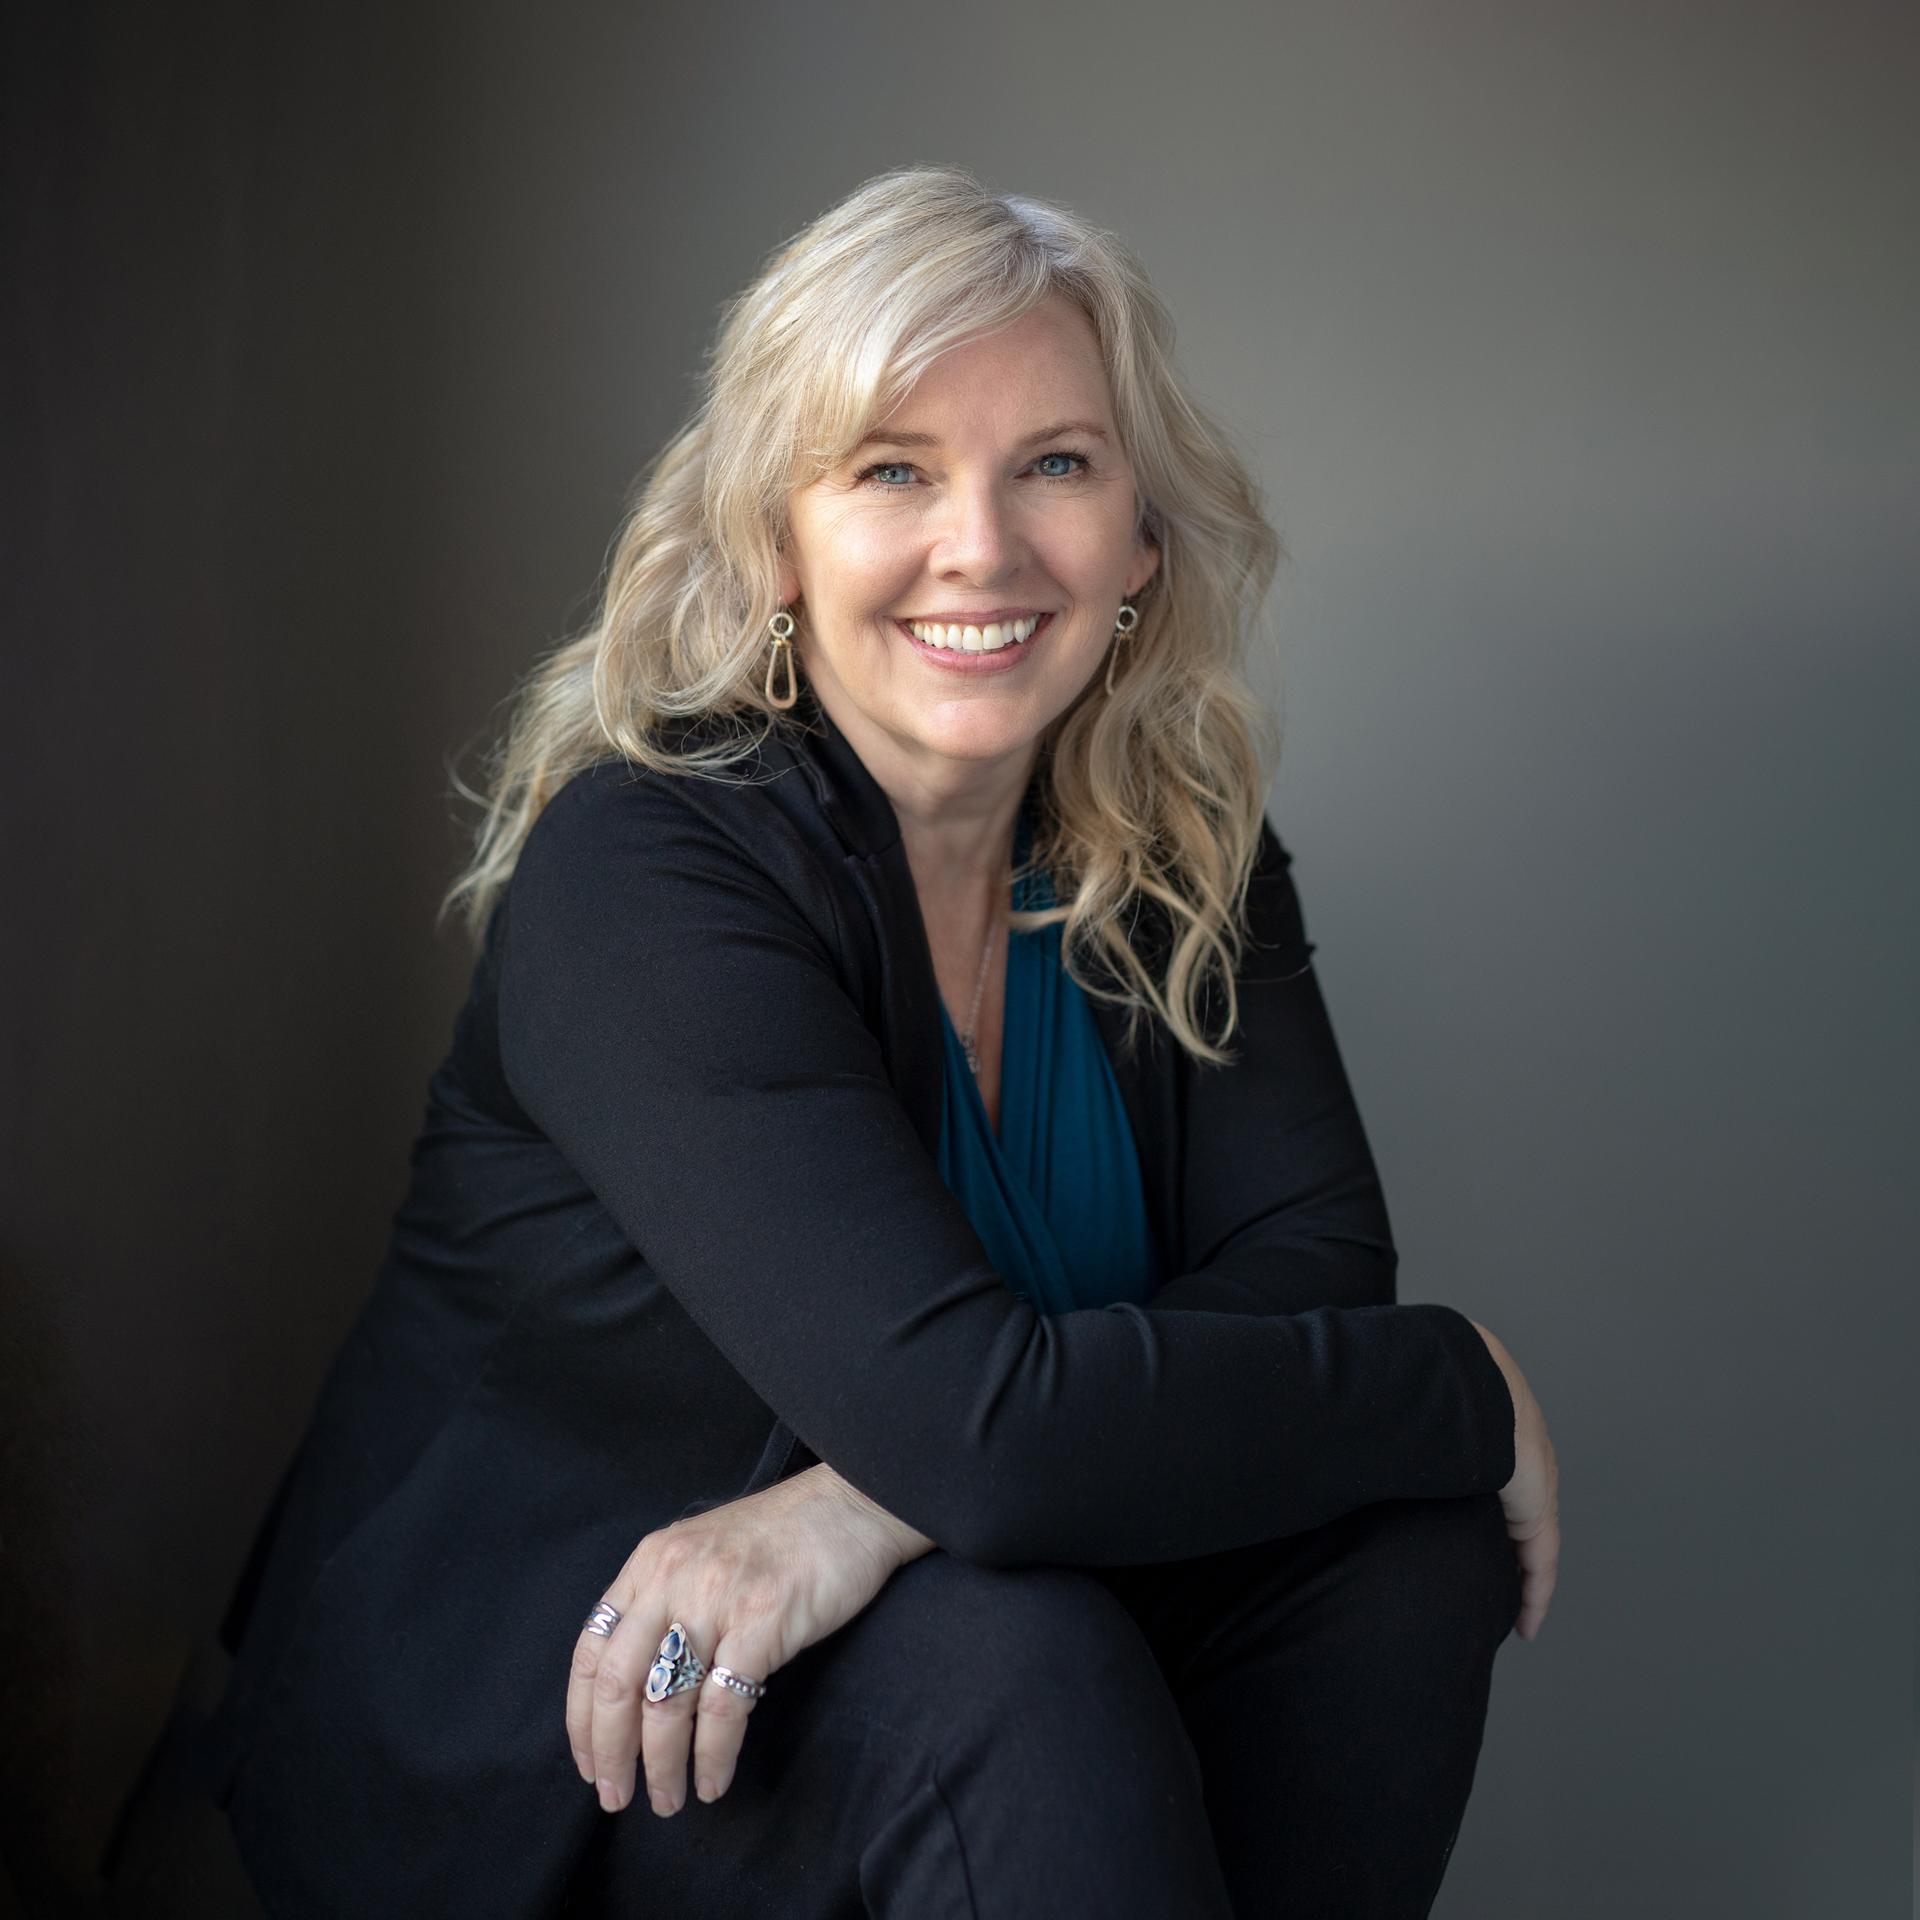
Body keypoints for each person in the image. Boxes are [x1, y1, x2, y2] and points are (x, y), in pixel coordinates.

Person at [211, 167, 1558, 1919]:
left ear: (1141, 540)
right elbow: (993, 1430)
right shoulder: (646, 871)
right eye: (893, 469)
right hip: (585, 1721)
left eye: (1056, 465)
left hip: (880, 1614)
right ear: (779, 536)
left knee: (1397, 1553)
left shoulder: (1173, 848)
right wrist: (1465, 1382)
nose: (981, 547)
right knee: (1020, 1656)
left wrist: (861, 1506)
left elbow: (1308, 1276)